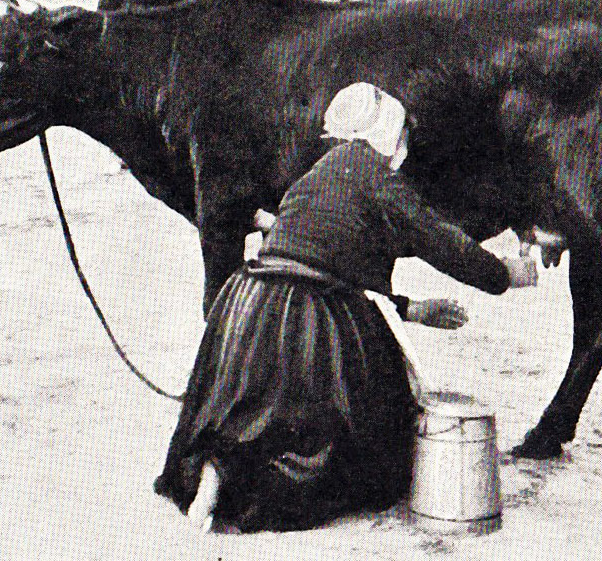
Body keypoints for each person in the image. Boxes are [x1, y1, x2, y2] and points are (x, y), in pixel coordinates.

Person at [156, 83, 537, 533]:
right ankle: (239, 477)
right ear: (389, 134)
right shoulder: (380, 178)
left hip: (246, 304)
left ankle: (217, 467)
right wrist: (503, 273)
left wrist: (413, 308)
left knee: (250, 406)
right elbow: (439, 241)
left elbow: (333, 263)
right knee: (363, 441)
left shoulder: (318, 174)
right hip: (308, 315)